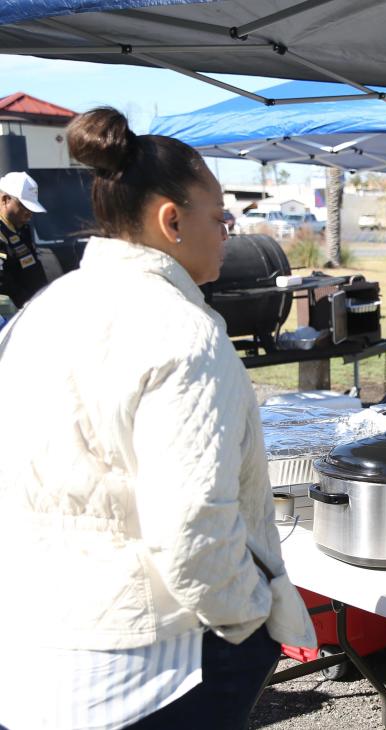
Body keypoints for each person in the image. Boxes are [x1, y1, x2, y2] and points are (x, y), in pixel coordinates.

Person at [0, 107, 315, 730]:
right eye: (220, 218)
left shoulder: (43, 309)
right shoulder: (184, 332)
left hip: (36, 650)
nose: (227, 233)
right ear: (171, 220)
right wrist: (251, 615)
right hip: (152, 668)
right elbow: (192, 524)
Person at [0, 170, 49, 308]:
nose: (29, 214)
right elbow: (3, 284)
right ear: (5, 200)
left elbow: (33, 270)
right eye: (25, 207)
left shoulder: (21, 229)